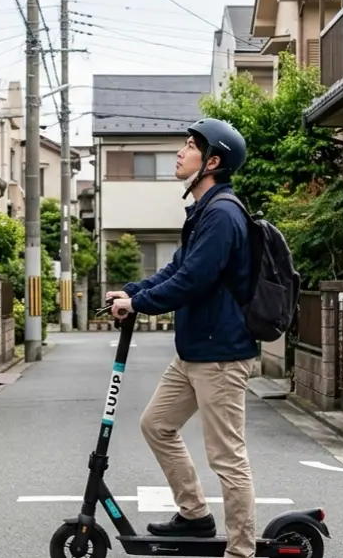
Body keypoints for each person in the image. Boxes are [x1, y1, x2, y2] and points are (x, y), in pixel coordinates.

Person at [107, 117, 259, 558]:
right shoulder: (204, 212)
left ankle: (241, 550)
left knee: (228, 457)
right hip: (195, 350)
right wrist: (132, 292)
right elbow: (177, 268)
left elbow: (193, 280)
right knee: (157, 424)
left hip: (221, 355)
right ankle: (194, 515)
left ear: (212, 161)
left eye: (191, 146)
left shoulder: (224, 214)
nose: (180, 152)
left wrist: (138, 306)